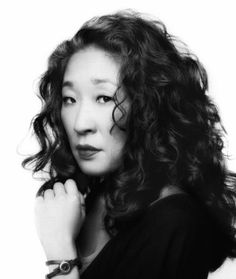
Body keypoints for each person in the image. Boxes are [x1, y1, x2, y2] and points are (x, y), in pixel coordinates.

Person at [22, 10, 236, 279]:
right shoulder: (89, 197)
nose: (80, 124)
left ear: (148, 105)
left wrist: (60, 255)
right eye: (69, 99)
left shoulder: (174, 222)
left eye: (103, 98)